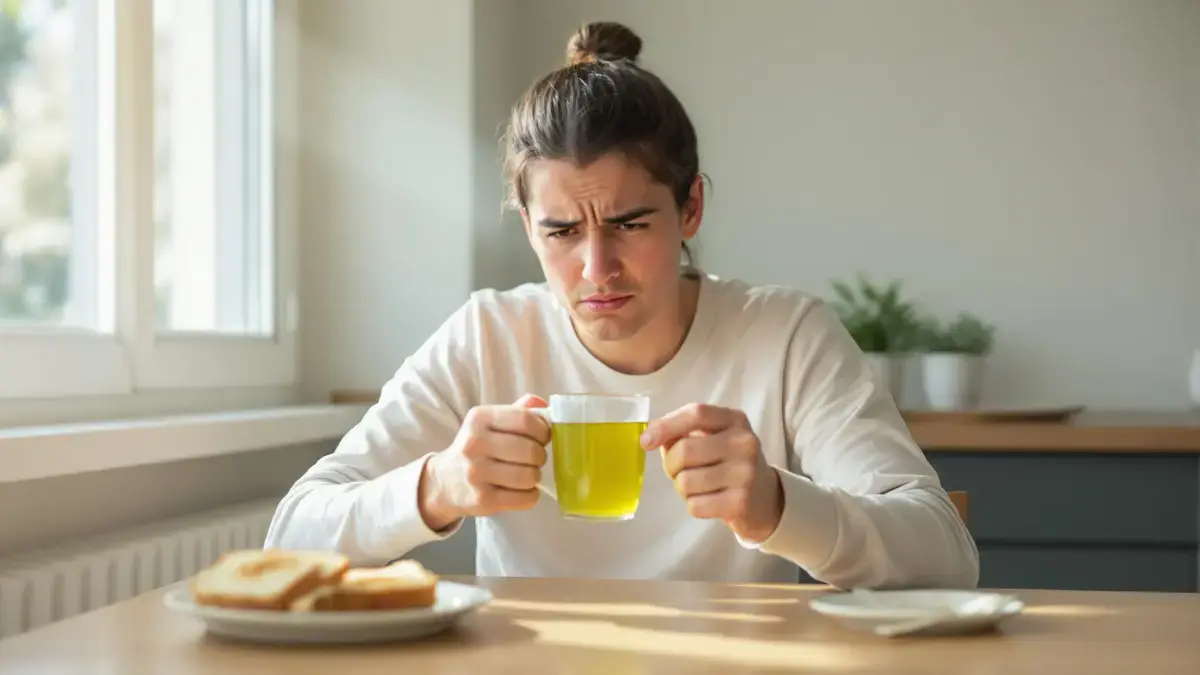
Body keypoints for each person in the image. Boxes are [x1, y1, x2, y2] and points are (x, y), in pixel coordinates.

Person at [264, 21, 979, 590]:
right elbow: (291, 534)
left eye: (631, 224)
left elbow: (946, 554)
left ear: (691, 206)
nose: (596, 267)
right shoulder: (488, 335)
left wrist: (777, 504)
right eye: (561, 231)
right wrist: (437, 486)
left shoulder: (785, 335)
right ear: (525, 225)